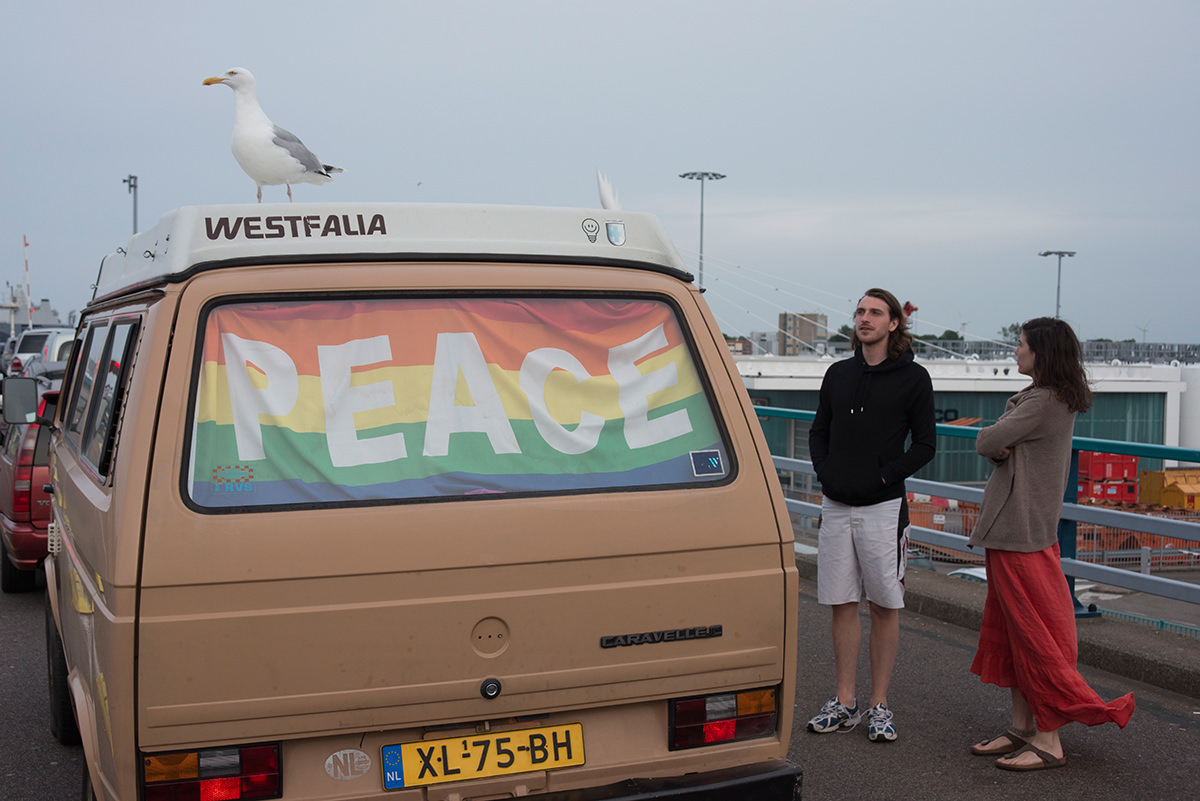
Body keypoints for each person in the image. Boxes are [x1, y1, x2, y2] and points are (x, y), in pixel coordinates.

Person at [968, 317, 1135, 771]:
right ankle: (1023, 727)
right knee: (1014, 631)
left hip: (1019, 532)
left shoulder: (1042, 401)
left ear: (1042, 352)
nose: (1015, 351)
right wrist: (1006, 447)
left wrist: (1002, 447)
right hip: (1022, 530)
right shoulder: (1056, 399)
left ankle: (1048, 739)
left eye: (1020, 345)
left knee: (1034, 634)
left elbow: (987, 439)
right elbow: (1002, 444)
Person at [806, 288, 936, 743]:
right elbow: (819, 430)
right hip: (836, 505)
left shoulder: (914, 378)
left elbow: (925, 445)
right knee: (841, 604)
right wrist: (826, 472)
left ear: (894, 323)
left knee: (883, 605)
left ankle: (880, 704)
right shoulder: (837, 374)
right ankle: (845, 703)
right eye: (860, 311)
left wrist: (883, 479)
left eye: (875, 312)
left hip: (884, 509)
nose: (864, 318)